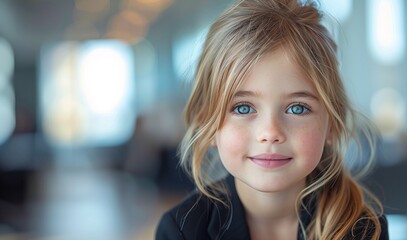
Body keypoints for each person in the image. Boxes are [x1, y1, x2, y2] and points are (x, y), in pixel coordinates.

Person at [156, 0, 389, 239]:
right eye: (243, 108)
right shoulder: (182, 231)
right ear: (208, 123)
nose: (270, 132)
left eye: (297, 108)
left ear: (331, 124)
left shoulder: (362, 229)